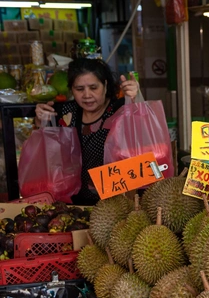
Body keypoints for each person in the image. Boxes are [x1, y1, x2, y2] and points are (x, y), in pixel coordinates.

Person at [35, 58, 139, 205]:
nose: (87, 95)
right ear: (71, 89)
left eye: (93, 87)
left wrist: (136, 98)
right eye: (79, 89)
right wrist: (41, 121)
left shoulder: (120, 109)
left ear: (105, 85)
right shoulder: (63, 113)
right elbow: (47, 150)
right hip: (71, 204)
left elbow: (140, 125)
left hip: (115, 205)